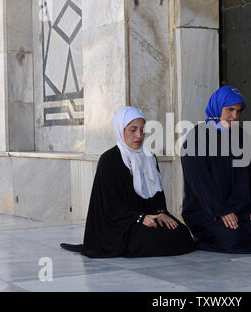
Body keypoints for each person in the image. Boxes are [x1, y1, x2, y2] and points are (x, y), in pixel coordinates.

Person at [60, 107, 195, 258]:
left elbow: (157, 193)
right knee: (153, 238)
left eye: (142, 130)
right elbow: (110, 205)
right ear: (120, 130)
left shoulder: (149, 157)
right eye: (133, 130)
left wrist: (161, 212)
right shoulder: (109, 160)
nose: (139, 135)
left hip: (149, 218)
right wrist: (140, 218)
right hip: (120, 225)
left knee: (181, 233)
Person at [180, 86, 251, 254]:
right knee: (232, 237)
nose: (235, 116)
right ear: (217, 107)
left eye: (238, 111)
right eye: (229, 110)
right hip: (207, 210)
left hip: (240, 208)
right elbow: (200, 184)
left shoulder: (242, 138)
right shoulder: (196, 139)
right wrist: (220, 211)